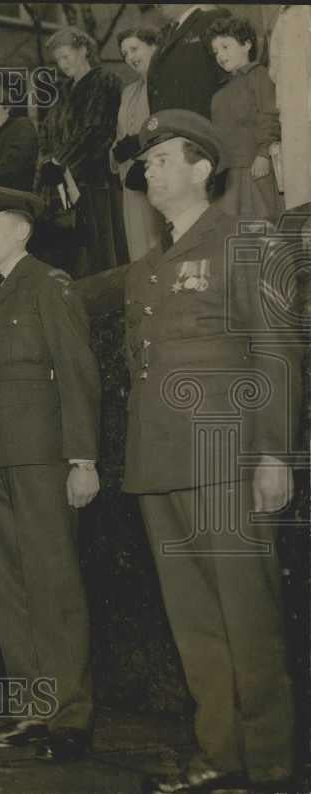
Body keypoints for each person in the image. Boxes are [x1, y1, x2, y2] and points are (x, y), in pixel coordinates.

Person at [127, 110, 298, 793]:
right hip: (161, 460)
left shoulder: (248, 242)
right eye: (148, 160)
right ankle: (220, 756)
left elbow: (276, 355)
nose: (150, 168)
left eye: (164, 156)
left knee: (247, 615)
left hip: (225, 456)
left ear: (203, 167)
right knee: (194, 621)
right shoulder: (146, 270)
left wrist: (276, 454)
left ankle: (273, 763)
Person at [0, 186, 100, 763]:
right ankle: (32, 708)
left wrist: (83, 459)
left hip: (41, 456)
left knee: (52, 585)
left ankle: (70, 715)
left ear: (22, 229)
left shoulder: (49, 284)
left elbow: (76, 371)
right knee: (11, 590)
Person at [37, 26, 127, 278]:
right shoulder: (64, 91)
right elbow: (47, 130)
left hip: (93, 180)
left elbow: (98, 130)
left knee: (100, 251)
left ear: (84, 50)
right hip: (63, 185)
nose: (63, 64)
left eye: (66, 56)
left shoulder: (105, 81)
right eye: (58, 60)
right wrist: (47, 161)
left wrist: (61, 161)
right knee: (74, 256)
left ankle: (109, 312)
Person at [208, 15, 284, 222]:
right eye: (215, 51)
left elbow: (270, 115)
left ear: (247, 44)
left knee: (263, 230)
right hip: (229, 175)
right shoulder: (221, 91)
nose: (220, 55)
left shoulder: (259, 76)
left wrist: (263, 154)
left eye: (225, 47)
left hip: (255, 170)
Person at [111, 27, 165, 260]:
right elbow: (120, 135)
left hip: (155, 175)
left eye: (134, 49)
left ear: (153, 46)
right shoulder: (129, 91)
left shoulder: (164, 83)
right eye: (125, 54)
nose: (130, 58)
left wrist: (141, 157)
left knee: (159, 243)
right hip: (130, 181)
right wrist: (116, 154)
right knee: (139, 249)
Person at [147, 4, 230, 118]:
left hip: (201, 126)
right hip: (168, 126)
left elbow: (229, 77)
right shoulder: (166, 33)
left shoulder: (211, 18)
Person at [269, 4, 311, 210]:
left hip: (297, 110)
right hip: (295, 113)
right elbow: (275, 69)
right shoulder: (284, 18)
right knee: (299, 185)